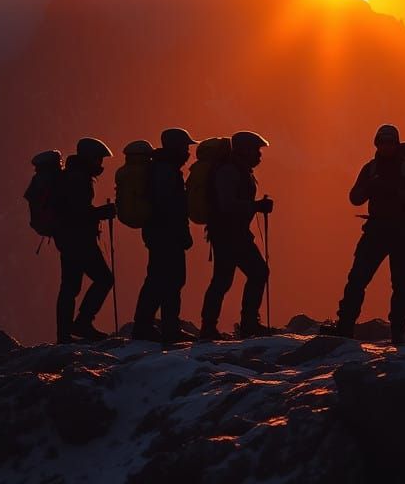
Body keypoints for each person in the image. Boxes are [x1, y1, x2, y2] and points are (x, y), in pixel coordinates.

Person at [321, 124, 405, 344]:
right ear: (377, 144)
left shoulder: (402, 168)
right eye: (383, 142)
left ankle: (394, 329)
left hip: (396, 231)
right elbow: (355, 198)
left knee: (395, 282)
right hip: (383, 231)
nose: (386, 146)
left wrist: (396, 192)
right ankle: (348, 326)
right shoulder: (378, 169)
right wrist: (372, 187)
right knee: (360, 278)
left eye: (389, 142)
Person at [199, 130, 274, 340]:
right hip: (230, 233)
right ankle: (246, 324)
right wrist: (256, 206)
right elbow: (227, 204)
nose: (259, 155)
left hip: (229, 233)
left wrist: (254, 206)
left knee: (224, 279)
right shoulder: (230, 171)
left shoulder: (235, 169)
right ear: (245, 150)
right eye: (256, 150)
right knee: (255, 272)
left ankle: (211, 326)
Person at [132, 128, 197, 344]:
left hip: (159, 233)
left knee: (160, 279)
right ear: (176, 147)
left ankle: (150, 326)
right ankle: (165, 328)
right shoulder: (165, 171)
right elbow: (171, 207)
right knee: (170, 280)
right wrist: (182, 233)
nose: (187, 151)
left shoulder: (161, 168)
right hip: (166, 235)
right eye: (185, 147)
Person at [55, 137, 116, 343]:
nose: (100, 164)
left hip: (68, 239)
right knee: (104, 279)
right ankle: (82, 322)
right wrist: (102, 212)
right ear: (89, 158)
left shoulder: (72, 176)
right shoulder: (78, 179)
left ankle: (64, 334)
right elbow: (79, 213)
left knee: (70, 286)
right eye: (98, 159)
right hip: (80, 240)